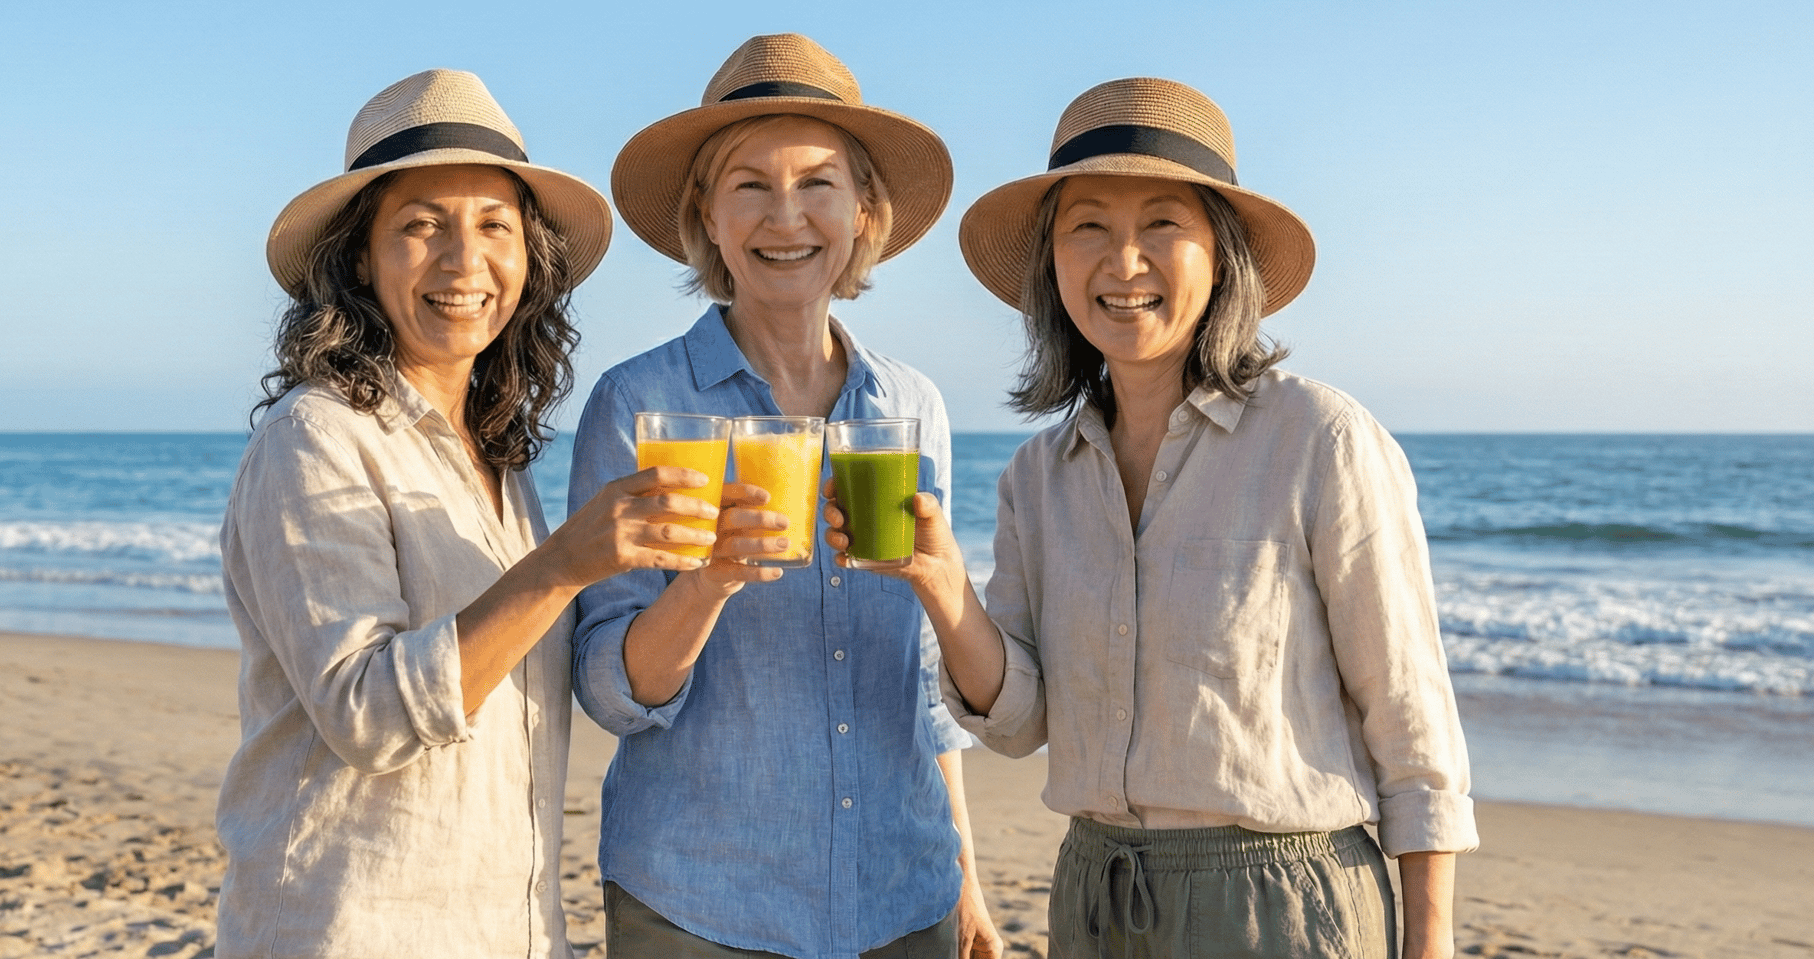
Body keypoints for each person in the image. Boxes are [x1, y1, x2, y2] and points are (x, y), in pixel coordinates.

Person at [828, 78, 1478, 958]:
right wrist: (939, 581)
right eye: (1087, 225)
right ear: (1052, 265)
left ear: (1222, 254)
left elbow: (1411, 722)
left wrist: (1429, 942)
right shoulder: (1038, 477)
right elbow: (1018, 722)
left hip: (1281, 905)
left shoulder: (1319, 439)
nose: (1123, 262)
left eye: (1163, 224)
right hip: (1094, 895)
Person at [217, 69, 718, 958]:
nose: (463, 262)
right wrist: (565, 563)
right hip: (348, 929)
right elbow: (368, 713)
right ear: (359, 257)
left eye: (495, 226)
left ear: (530, 263)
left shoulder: (495, 458)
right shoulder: (316, 437)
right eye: (421, 226)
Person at [569, 34, 1001, 959]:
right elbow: (610, 689)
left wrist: (965, 872)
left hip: (903, 892)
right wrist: (709, 582)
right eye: (751, 185)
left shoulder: (911, 406)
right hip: (698, 901)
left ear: (863, 213)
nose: (786, 215)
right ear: (710, 217)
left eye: (818, 183)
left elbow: (922, 680)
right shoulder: (640, 404)